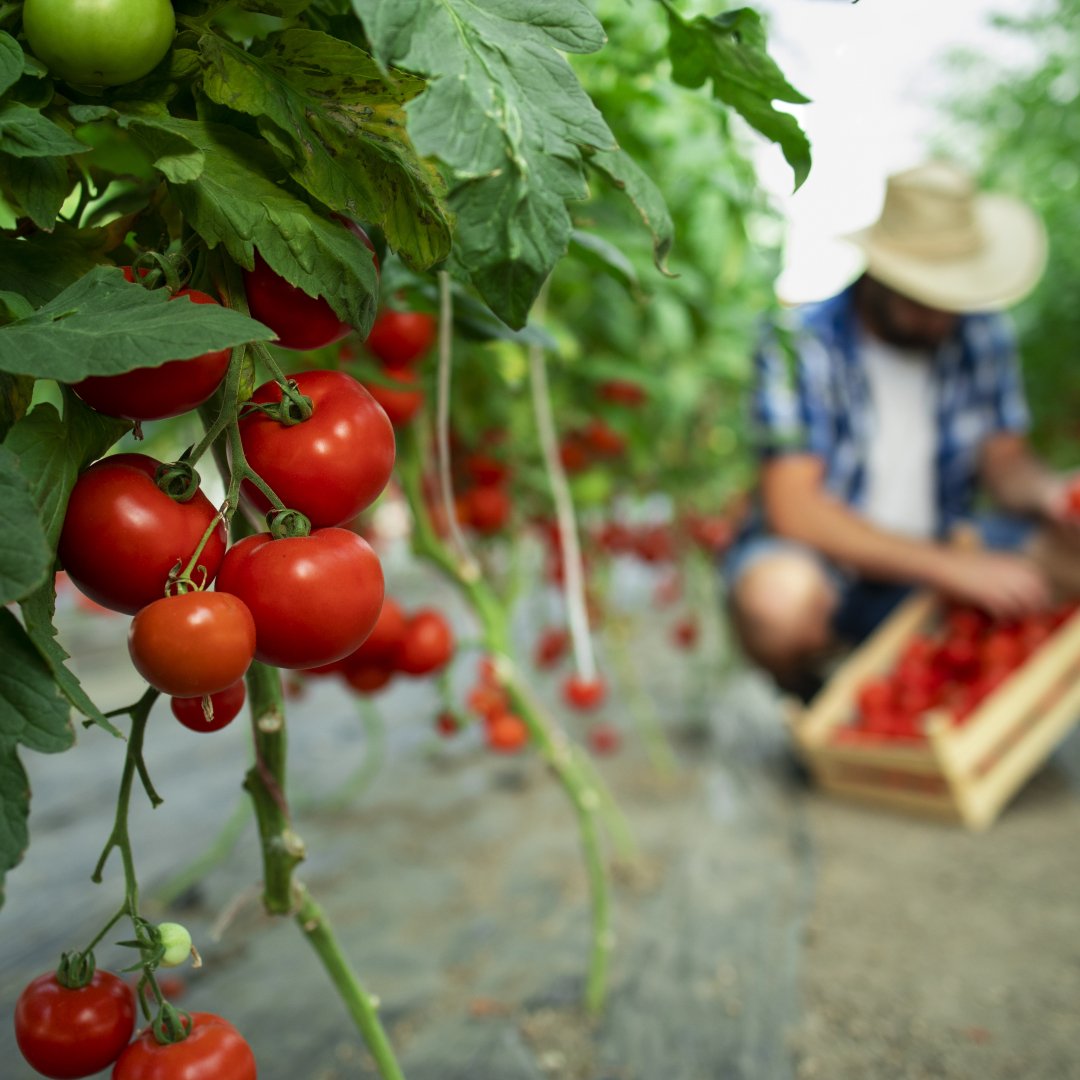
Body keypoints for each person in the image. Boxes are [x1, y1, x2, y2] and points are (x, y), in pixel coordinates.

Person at [723, 160, 1080, 698]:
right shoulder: (799, 341)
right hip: (836, 569)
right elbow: (794, 509)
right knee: (777, 602)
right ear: (881, 274)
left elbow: (1006, 463)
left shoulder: (980, 335)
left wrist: (1050, 492)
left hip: (947, 547)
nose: (942, 317)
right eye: (924, 298)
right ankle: (817, 697)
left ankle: (975, 689)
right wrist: (955, 569)